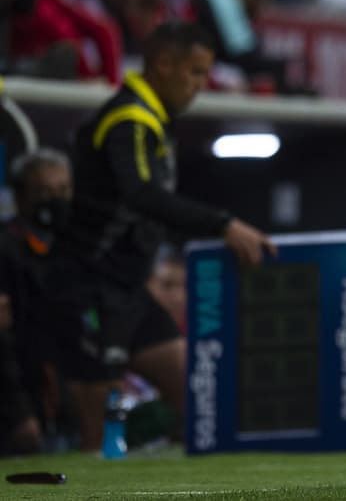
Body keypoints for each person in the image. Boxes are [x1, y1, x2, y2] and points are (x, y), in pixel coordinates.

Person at [44, 22, 275, 451]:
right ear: (164, 64)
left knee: (197, 393)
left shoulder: (152, 118)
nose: (200, 86)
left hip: (129, 289)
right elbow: (141, 193)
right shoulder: (129, 118)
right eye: (195, 73)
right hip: (90, 285)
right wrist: (223, 224)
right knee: (98, 436)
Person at [0, 148, 73, 454]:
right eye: (43, 191)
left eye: (62, 190)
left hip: (65, 395)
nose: (54, 200)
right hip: (15, 392)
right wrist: (18, 412)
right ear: (20, 196)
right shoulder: (5, 247)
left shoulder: (74, 247)